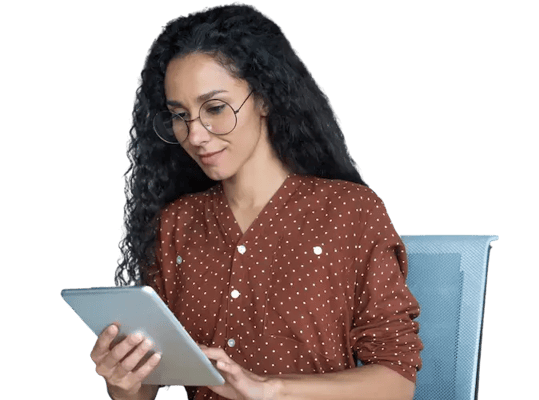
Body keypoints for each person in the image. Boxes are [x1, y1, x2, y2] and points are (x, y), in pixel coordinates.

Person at [90, 2, 422, 399]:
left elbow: (396, 382)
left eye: (214, 108)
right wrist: (122, 382)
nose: (195, 135)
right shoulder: (175, 225)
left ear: (264, 99)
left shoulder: (350, 211)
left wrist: (271, 390)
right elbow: (145, 389)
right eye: (181, 115)